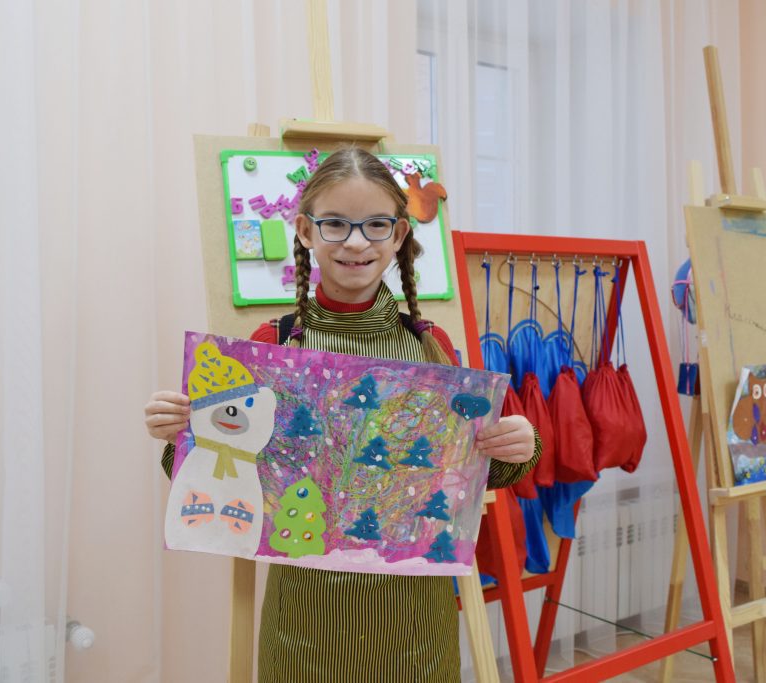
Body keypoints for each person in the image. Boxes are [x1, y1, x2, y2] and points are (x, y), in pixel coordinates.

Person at [144, 146, 541, 682]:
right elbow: (225, 472)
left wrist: (516, 447)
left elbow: (463, 478)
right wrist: (181, 436)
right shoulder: (271, 348)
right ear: (306, 230)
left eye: (376, 224)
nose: (356, 242)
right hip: (305, 620)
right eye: (335, 224)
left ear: (399, 235)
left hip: (413, 623)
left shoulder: (432, 348)